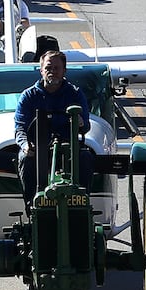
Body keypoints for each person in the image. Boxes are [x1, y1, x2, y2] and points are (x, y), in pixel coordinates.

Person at [14, 50, 90, 201]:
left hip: (69, 148)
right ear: (41, 70)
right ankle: (32, 205)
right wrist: (25, 145)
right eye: (48, 68)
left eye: (57, 68)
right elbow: (20, 127)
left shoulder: (75, 94)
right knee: (25, 159)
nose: (52, 72)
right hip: (38, 148)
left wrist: (81, 122)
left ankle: (81, 201)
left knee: (85, 157)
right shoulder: (28, 96)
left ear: (64, 71)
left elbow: (86, 125)